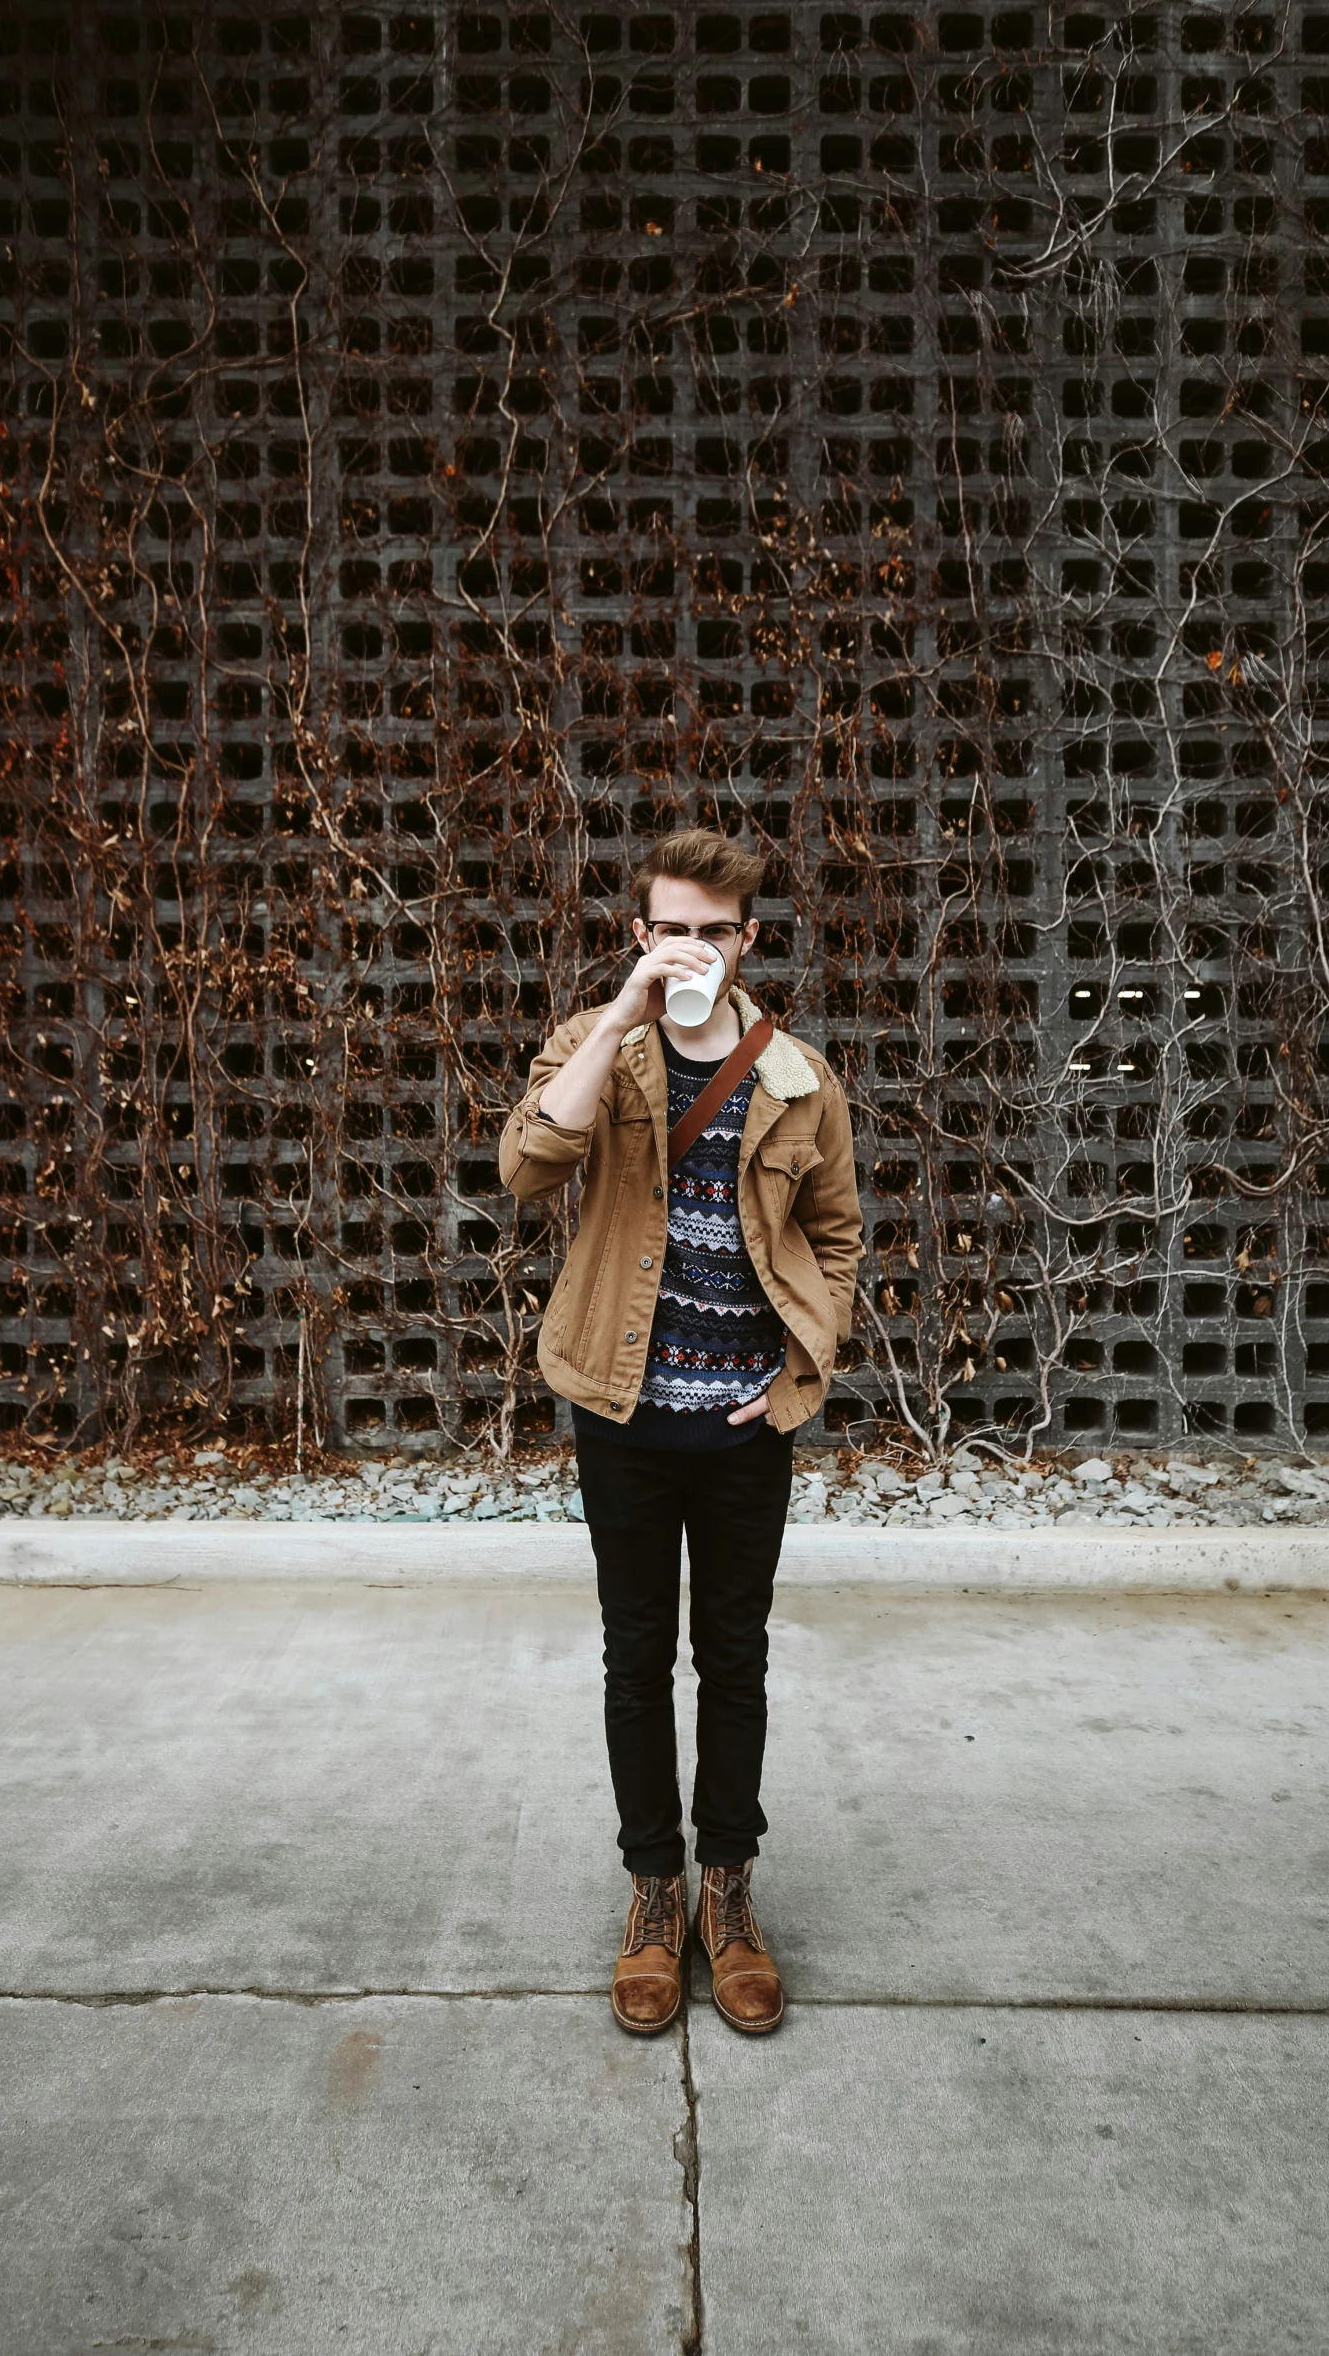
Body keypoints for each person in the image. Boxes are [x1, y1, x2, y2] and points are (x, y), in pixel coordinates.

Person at [498, 829, 863, 2036]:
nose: (693, 948)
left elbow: (838, 1234)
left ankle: (728, 1891)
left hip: (744, 1421)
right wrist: (618, 1017)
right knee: (634, 1654)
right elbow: (526, 1161)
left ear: (746, 939)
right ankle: (653, 1896)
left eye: (715, 930)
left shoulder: (800, 1078)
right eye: (671, 927)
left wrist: (801, 1371)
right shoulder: (598, 1051)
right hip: (623, 1412)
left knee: (737, 1656)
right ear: (640, 932)